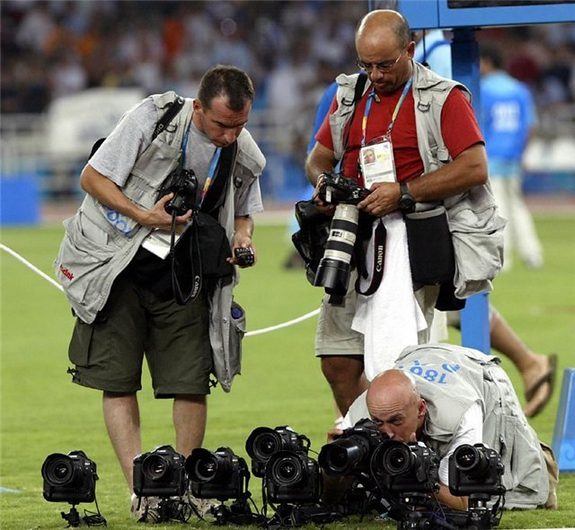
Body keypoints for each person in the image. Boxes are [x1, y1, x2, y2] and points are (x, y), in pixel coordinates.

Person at [54, 65, 265, 518]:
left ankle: (185, 489)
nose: (230, 136)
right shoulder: (152, 118)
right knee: (117, 379)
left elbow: (245, 210)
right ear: (198, 107)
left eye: (240, 125)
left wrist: (243, 239)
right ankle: (142, 491)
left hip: (184, 277)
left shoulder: (241, 147)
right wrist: (144, 215)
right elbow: (92, 178)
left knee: (191, 381)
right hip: (116, 268)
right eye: (222, 125)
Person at [305, 9, 503, 417]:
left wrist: (405, 193)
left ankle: (407, 443)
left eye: (384, 64)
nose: (375, 75)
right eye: (366, 65)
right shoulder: (351, 95)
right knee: (337, 361)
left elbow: (474, 167)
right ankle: (373, 441)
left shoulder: (443, 97)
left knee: (402, 362)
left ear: (410, 50)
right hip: (352, 235)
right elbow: (318, 158)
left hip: (413, 239)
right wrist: (325, 183)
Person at [340, 343, 558, 511]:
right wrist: (337, 466)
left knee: (495, 479)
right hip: (423, 357)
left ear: (421, 409)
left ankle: (542, 459)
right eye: (378, 422)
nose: (386, 431)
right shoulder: (359, 413)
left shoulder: (461, 414)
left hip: (482, 379)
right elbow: (332, 491)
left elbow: (461, 501)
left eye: (396, 421)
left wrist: (416, 477)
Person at [479, 44, 544, 271]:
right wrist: (522, 152)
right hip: (513, 156)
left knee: (497, 207)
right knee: (518, 205)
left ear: (487, 62)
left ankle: (503, 257)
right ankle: (532, 253)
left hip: (491, 155)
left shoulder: (483, 88)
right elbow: (530, 126)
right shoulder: (520, 89)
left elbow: (478, 125)